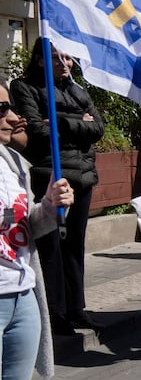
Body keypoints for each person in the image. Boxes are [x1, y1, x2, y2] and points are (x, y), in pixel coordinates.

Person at [0, 78, 75, 380]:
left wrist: (49, 206)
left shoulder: (12, 162)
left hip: (22, 295)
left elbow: (27, 229)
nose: (14, 116)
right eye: (3, 108)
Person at [10, 39, 101, 337]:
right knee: (52, 248)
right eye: (57, 58)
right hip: (51, 174)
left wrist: (59, 122)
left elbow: (97, 128)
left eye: (69, 57)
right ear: (40, 60)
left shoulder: (78, 89)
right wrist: (78, 123)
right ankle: (56, 313)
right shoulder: (25, 87)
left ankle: (77, 308)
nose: (65, 63)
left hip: (83, 177)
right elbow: (36, 131)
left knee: (75, 245)